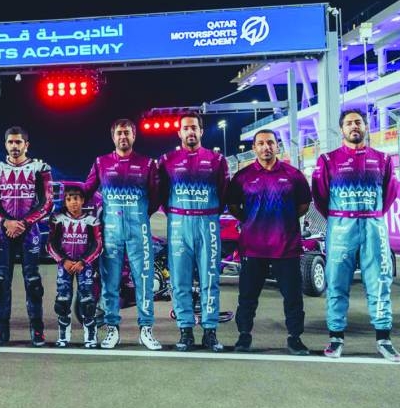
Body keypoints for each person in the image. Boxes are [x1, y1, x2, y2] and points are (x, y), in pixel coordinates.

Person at [312, 108, 400, 361]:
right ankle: (335, 340)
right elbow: (320, 196)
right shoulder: (328, 160)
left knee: (380, 284)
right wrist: (343, 215)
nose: (354, 127)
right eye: (349, 123)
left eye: (359, 122)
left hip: (373, 228)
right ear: (341, 129)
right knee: (337, 284)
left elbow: (389, 194)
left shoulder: (383, 159)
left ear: (366, 127)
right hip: (341, 229)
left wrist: (370, 214)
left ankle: (384, 340)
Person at [226, 130, 312, 355]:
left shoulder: (293, 175)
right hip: (253, 248)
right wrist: (251, 220)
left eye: (270, 143)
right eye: (261, 143)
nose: (266, 147)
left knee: (293, 298)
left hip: (286, 248)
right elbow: (234, 206)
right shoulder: (242, 176)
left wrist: (283, 219)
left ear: (277, 146)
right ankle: (244, 337)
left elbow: (304, 205)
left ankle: (295, 338)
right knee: (247, 297)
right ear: (254, 148)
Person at [84, 118, 161, 350]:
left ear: (134, 136)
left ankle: (146, 329)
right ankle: (111, 330)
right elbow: (87, 190)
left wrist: (139, 216)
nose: (123, 137)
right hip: (111, 234)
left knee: (144, 281)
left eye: (127, 133)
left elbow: (156, 197)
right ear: (113, 136)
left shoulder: (147, 164)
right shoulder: (101, 162)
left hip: (140, 232)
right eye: (119, 133)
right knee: (110, 283)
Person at [157, 111, 229, 352]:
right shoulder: (167, 159)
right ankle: (185, 330)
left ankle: (210, 331)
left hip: (207, 223)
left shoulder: (217, 160)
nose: (190, 132)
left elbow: (223, 193)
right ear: (180, 132)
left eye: (194, 128)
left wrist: (206, 212)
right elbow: (161, 195)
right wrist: (179, 214)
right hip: (179, 224)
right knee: (180, 281)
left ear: (201, 131)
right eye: (185, 128)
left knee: (211, 280)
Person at [0, 126, 53, 346]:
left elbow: (47, 202)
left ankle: (37, 330)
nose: (15, 146)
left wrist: (24, 222)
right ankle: (0, 331)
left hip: (29, 231)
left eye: (19, 142)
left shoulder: (40, 168)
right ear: (5, 144)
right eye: (11, 142)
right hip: (4, 232)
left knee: (33, 283)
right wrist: (6, 222)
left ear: (26, 145)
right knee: (1, 282)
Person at [47, 184, 103, 348]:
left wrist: (83, 262)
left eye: (76, 199)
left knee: (88, 302)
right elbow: (51, 244)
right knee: (62, 301)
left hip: (83, 266)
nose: (73, 203)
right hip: (64, 265)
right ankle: (64, 336)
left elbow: (97, 245)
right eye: (69, 199)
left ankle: (90, 337)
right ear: (65, 201)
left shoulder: (92, 221)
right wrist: (62, 260)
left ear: (83, 200)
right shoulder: (58, 220)